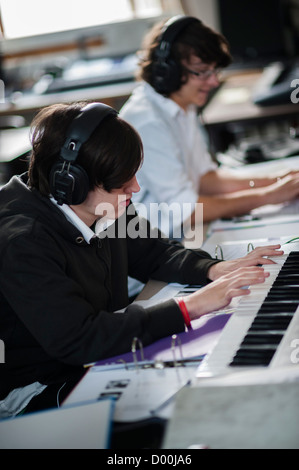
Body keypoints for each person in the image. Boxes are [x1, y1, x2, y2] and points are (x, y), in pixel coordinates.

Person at [0, 101, 283, 418]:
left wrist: (215, 268)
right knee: (187, 413)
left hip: (94, 355)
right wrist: (192, 307)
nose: (135, 187)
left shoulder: (99, 204)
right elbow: (80, 339)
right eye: (123, 183)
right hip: (37, 387)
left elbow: (154, 251)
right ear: (73, 182)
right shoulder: (23, 240)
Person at [120, 15, 299, 238]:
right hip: (167, 243)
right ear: (168, 71)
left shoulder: (182, 102)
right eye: (202, 71)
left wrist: (279, 181)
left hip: (192, 229)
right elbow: (185, 210)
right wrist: (267, 196)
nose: (214, 82)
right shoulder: (147, 122)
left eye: (214, 71)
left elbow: (206, 179)